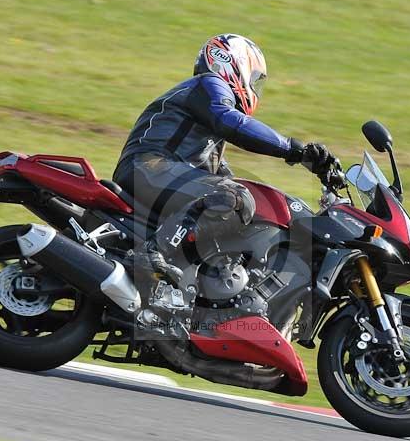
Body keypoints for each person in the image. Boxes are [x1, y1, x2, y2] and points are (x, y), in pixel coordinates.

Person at [113, 33, 336, 284]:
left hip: (156, 171)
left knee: (241, 198)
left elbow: (220, 174)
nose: (254, 86)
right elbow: (232, 122)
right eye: (254, 78)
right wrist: (294, 150)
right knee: (235, 196)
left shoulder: (206, 121)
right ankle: (153, 252)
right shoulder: (209, 84)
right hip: (149, 166)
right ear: (233, 63)